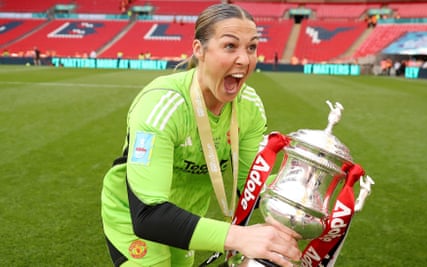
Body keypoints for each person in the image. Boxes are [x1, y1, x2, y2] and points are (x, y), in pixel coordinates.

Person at [101, 3, 302, 267]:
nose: (244, 59)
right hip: (134, 215)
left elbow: (250, 185)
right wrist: (238, 237)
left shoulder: (249, 106)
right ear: (200, 50)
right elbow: (147, 215)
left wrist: (297, 200)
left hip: (187, 217)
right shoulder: (162, 104)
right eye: (230, 46)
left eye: (251, 47)